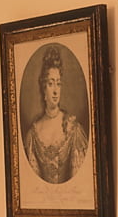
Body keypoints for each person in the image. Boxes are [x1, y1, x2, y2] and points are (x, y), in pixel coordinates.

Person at [23, 45, 88, 183]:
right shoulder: (34, 133)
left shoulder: (73, 129)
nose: (55, 91)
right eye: (51, 83)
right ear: (43, 88)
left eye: (58, 84)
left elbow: (80, 181)